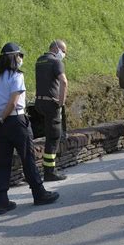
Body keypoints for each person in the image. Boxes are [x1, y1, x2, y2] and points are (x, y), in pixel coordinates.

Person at [0, 42, 59, 213]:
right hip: (16, 121)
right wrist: (3, 117)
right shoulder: (16, 76)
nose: (21, 59)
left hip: (1, 125)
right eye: (20, 56)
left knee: (3, 162)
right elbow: (13, 101)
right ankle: (39, 193)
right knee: (28, 158)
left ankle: (2, 201)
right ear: (14, 57)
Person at [34, 40, 69, 181]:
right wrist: (61, 102)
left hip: (39, 103)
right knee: (53, 137)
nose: (64, 54)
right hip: (51, 103)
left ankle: (44, 169)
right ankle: (50, 172)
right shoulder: (56, 62)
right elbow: (64, 82)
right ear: (56, 48)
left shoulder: (40, 60)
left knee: (47, 135)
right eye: (63, 51)